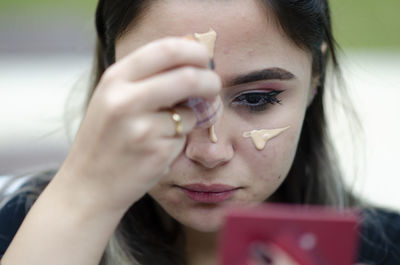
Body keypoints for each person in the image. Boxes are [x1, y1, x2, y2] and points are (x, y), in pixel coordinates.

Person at [1, 0, 399, 264]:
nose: (210, 153)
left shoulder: (386, 248)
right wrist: (81, 199)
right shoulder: (26, 232)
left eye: (257, 99)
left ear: (315, 77)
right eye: (174, 95)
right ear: (112, 74)